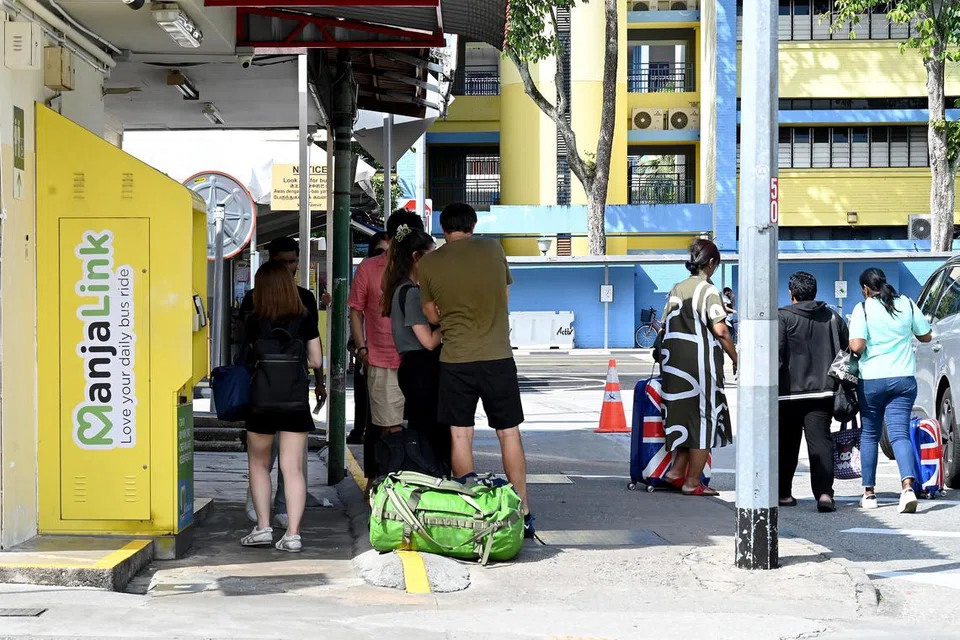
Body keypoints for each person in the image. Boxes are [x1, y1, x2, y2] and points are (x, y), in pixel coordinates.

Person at [418, 202, 535, 536]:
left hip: (455, 359)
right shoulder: (493, 248)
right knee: (508, 432)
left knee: (460, 433)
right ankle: (522, 510)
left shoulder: (429, 263)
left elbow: (431, 315)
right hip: (498, 356)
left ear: (443, 229)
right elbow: (505, 295)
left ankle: (470, 509)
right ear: (473, 224)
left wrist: (449, 314)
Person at [237, 237, 326, 527]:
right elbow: (316, 360)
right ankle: (293, 535)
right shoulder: (304, 312)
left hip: (261, 396)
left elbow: (242, 354)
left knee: (259, 464)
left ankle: (262, 527)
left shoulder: (253, 313)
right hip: (294, 397)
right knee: (293, 469)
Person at [849, 267, 932, 514]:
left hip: (872, 381)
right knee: (899, 434)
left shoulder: (862, 308)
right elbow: (926, 335)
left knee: (870, 435)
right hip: (903, 378)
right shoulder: (905, 303)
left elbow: (857, 345)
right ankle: (907, 488)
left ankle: (869, 493)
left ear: (865, 288)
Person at [349, 213, 424, 481]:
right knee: (385, 426)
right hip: (381, 359)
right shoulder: (369, 268)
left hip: (422, 360)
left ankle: (419, 480)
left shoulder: (428, 267)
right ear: (389, 239)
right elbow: (355, 310)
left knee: (422, 426)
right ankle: (385, 482)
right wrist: (362, 349)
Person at [660, 239, 737, 496]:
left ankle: (674, 472)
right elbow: (721, 330)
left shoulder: (676, 288)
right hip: (699, 367)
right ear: (712, 263)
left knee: (687, 419)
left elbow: (664, 325)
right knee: (705, 420)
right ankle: (692, 482)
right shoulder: (708, 290)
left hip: (673, 367)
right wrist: (736, 357)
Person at [778, 272, 848, 513]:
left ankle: (784, 493)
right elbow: (847, 352)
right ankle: (825, 494)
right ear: (814, 292)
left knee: (787, 443)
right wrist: (837, 381)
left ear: (792, 293)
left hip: (788, 393)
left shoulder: (783, 317)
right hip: (823, 392)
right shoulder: (832, 317)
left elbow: (776, 354)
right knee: (820, 442)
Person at [381, 225, 449, 467]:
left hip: (413, 368)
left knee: (423, 427)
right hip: (422, 367)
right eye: (431, 256)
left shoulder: (400, 288)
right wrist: (450, 320)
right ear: (416, 258)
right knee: (430, 430)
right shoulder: (410, 294)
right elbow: (429, 342)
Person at [346, 232, 390, 446]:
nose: (384, 257)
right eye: (379, 252)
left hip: (401, 356)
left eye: (389, 251)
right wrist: (361, 350)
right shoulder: (365, 272)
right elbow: (355, 312)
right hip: (370, 355)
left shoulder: (411, 271)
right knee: (370, 407)